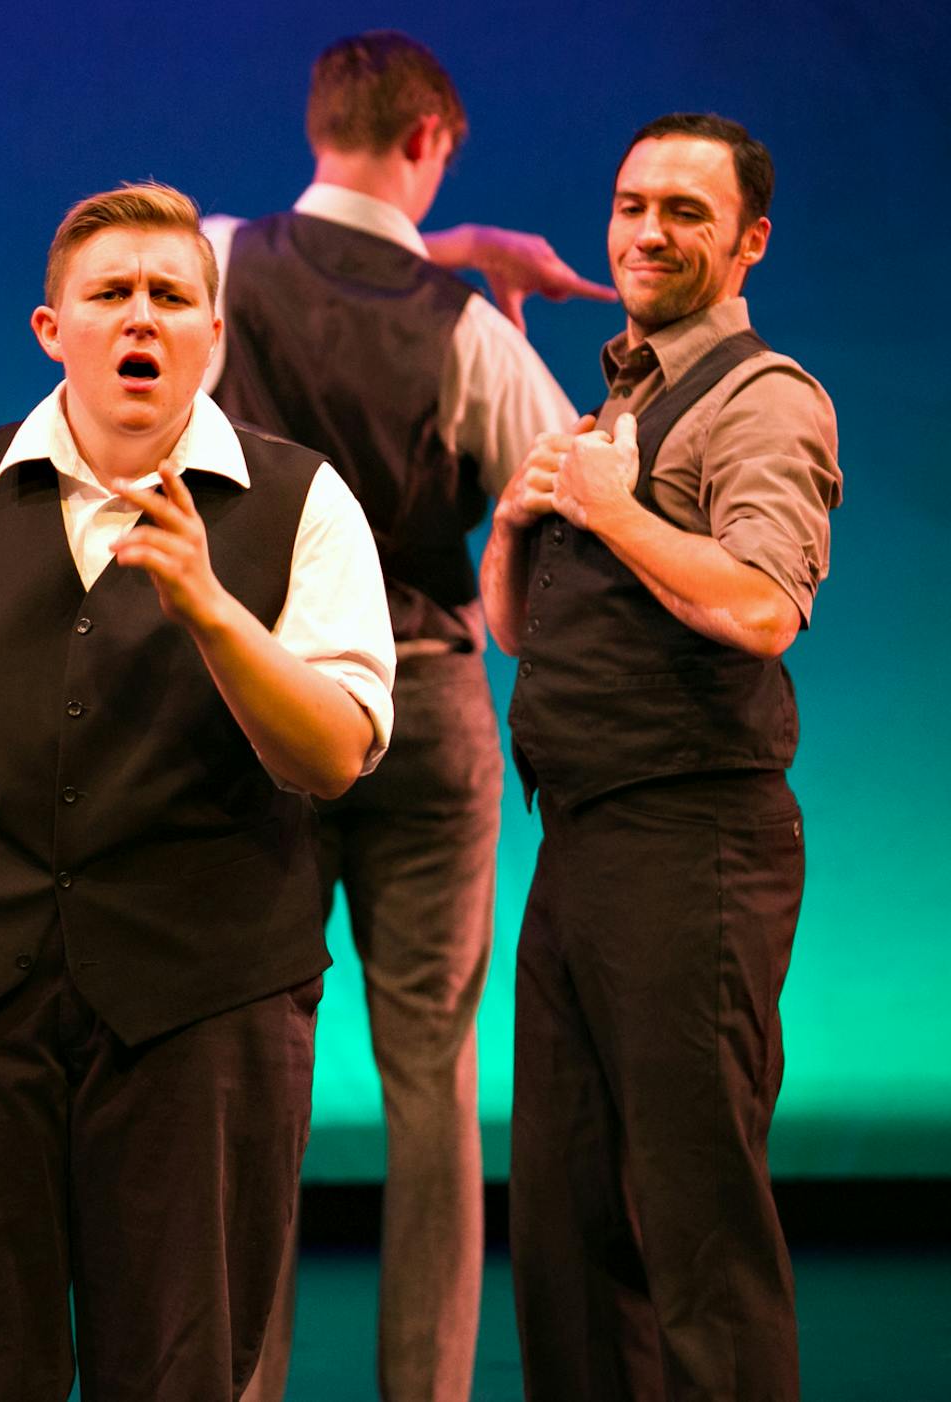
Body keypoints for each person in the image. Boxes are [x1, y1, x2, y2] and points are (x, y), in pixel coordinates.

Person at [0, 182, 395, 1401]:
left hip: (200, 1007)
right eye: (110, 294)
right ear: (49, 328)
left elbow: (335, 751)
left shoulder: (303, 505)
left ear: (213, 336)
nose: (142, 318)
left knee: (181, 1371)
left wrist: (213, 611)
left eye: (172, 297)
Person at [199, 33, 599, 1401]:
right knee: (430, 1071)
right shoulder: (469, 332)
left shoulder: (209, 262)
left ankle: (243, 1382)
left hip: (259, 711)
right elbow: (575, 492)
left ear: (320, 124)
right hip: (422, 703)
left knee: (252, 1057)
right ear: (428, 139)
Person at [481, 113, 840, 1401]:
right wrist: (524, 518)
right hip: (578, 846)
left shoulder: (765, 398)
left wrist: (612, 508)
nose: (648, 230)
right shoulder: (614, 402)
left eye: (686, 211)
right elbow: (515, 633)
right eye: (633, 203)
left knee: (693, 1230)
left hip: (694, 846)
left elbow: (758, 605)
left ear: (748, 241)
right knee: (569, 1234)